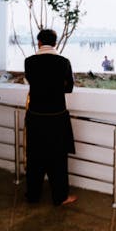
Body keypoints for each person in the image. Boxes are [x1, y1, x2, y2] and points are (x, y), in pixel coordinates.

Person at [24, 29, 77, 207]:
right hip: (56, 116)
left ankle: (33, 195)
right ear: (55, 43)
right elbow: (69, 88)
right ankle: (60, 196)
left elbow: (31, 81)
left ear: (39, 42)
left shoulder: (29, 61)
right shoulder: (64, 62)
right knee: (58, 157)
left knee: (34, 156)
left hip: (35, 115)